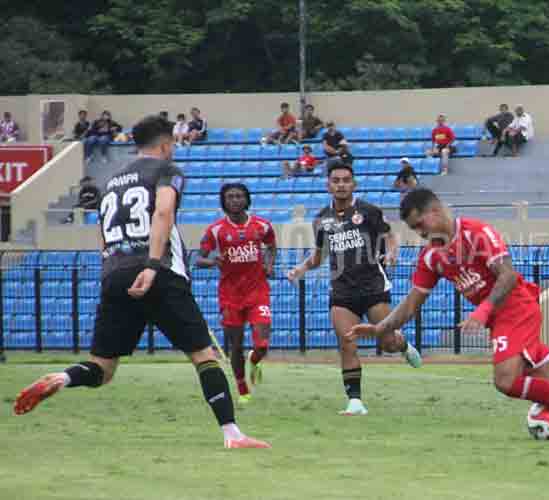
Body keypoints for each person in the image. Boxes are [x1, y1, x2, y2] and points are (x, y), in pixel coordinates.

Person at [12, 114, 269, 449]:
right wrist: (151, 264)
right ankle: (232, 434)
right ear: (165, 144)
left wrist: (113, 267)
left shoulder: (112, 180)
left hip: (114, 272)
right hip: (158, 273)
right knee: (204, 357)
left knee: (102, 369)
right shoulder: (166, 170)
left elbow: (102, 231)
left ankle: (62, 378)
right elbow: (163, 212)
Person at [350, 188, 549, 441]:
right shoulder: (431, 257)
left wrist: (483, 311)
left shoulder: (477, 233)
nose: (419, 233)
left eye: (420, 225)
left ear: (435, 211)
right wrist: (380, 329)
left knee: (506, 380)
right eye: (415, 230)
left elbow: (508, 276)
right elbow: (411, 304)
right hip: (502, 317)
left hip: (516, 306)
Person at [287, 160, 422, 416]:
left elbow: (389, 235)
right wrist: (300, 270)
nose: (341, 185)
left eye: (345, 180)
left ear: (354, 184)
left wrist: (392, 252)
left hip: (373, 288)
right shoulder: (321, 220)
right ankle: (355, 401)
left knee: (388, 342)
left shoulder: (369, 211)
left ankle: (403, 346)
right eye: (336, 180)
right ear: (328, 185)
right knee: (347, 341)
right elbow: (319, 256)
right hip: (342, 292)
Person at [197, 184, 276, 405]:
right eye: (230, 197)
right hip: (230, 295)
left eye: (239, 196)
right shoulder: (216, 230)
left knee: (262, 344)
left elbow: (271, 246)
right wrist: (212, 260)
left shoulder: (262, 225)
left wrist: (269, 265)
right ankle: (242, 387)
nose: (234, 200)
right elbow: (198, 258)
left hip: (258, 291)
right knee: (236, 344)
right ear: (223, 201)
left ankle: (255, 359)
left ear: (246, 200)